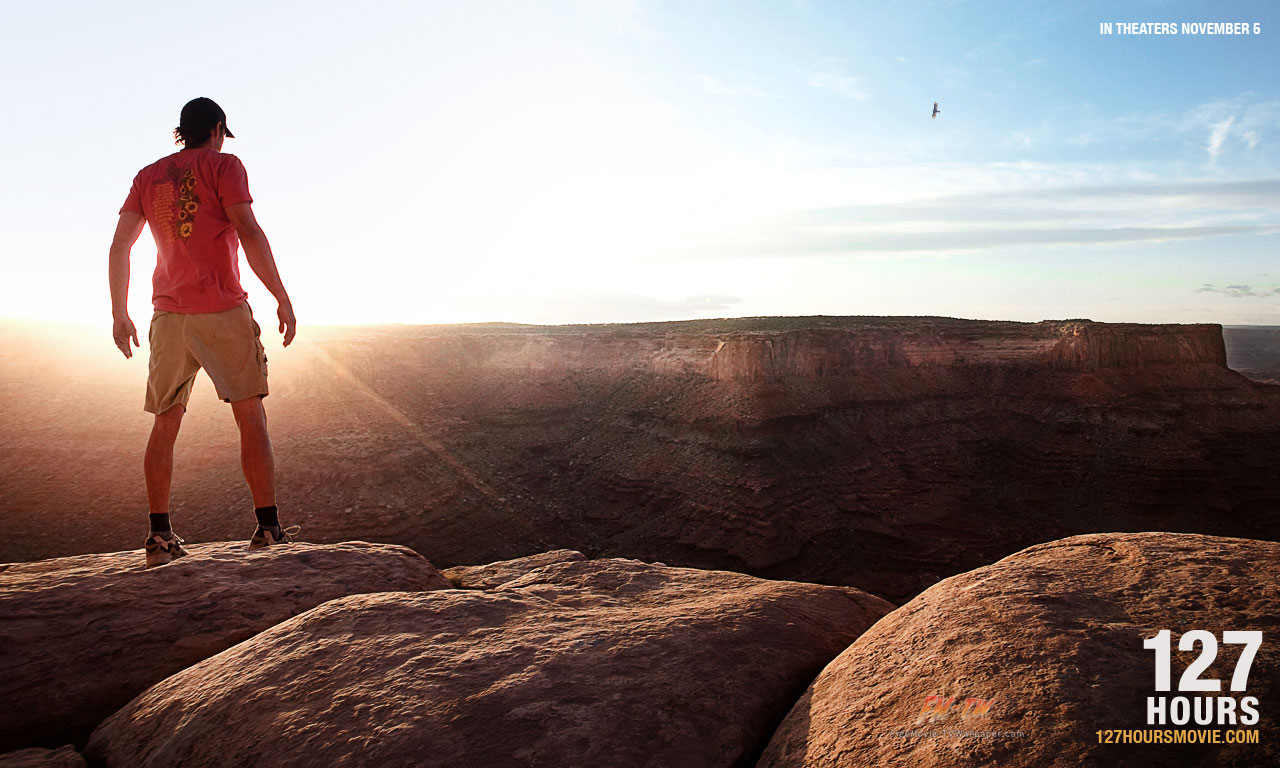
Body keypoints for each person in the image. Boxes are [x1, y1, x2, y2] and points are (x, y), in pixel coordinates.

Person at [108, 97, 299, 568]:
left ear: (181, 132)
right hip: (221, 309)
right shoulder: (225, 166)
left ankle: (159, 536)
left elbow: (120, 247)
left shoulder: (147, 176)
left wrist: (119, 312)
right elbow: (249, 232)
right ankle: (268, 527)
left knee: (165, 420)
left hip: (168, 314)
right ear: (216, 129)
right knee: (249, 413)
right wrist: (281, 295)